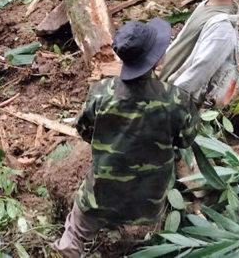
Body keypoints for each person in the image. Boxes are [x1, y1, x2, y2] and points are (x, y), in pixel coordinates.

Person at [53, 19, 198, 258]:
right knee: (144, 237)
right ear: (156, 58)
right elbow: (185, 140)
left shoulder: (101, 92)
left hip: (102, 194)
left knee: (75, 231)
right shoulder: (176, 100)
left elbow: (84, 130)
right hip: (149, 201)